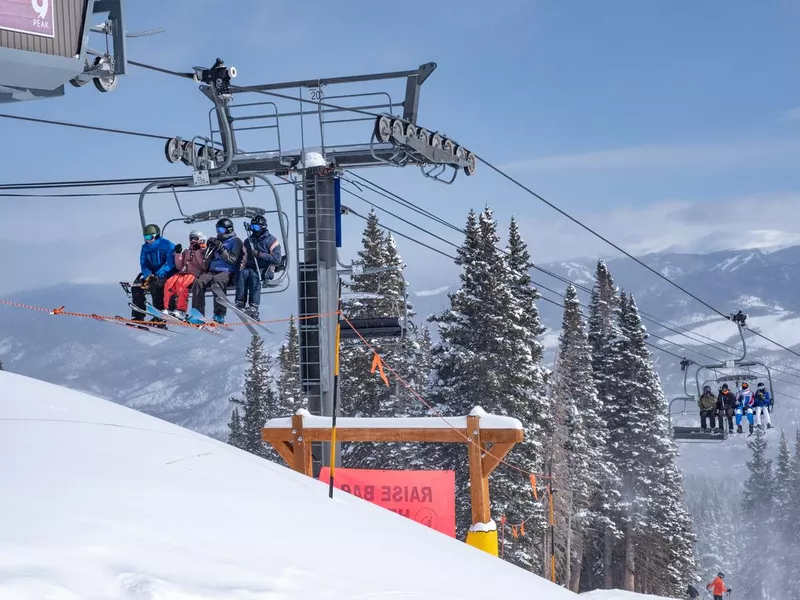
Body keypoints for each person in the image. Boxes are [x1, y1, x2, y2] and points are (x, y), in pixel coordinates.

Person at [190, 218, 242, 324]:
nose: (218, 232)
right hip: (212, 270)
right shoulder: (217, 241)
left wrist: (221, 249)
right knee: (199, 282)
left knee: (217, 282)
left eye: (221, 230)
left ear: (228, 229)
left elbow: (232, 260)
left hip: (227, 271)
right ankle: (197, 314)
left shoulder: (236, 241)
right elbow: (206, 262)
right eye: (217, 229)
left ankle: (219, 314)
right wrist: (209, 248)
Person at [235, 214, 282, 320]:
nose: (254, 230)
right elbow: (244, 258)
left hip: (265, 269)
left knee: (255, 277)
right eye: (253, 227)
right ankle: (240, 301)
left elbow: (277, 259)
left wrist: (260, 254)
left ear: (263, 227)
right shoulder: (248, 241)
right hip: (250, 267)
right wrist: (240, 269)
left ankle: (254, 306)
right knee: (243, 274)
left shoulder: (271, 241)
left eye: (257, 227)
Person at [131, 224, 176, 325]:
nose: (147, 240)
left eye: (149, 237)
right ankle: (138, 316)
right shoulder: (145, 248)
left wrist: (159, 274)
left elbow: (170, 263)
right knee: (137, 287)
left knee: (155, 286)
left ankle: (159, 316)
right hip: (152, 275)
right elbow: (144, 264)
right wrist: (148, 275)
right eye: (145, 237)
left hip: (167, 274)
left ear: (155, 235)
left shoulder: (167, 245)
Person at [164, 230, 207, 320]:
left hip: (194, 274)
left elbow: (203, 265)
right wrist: (178, 254)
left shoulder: (204, 251)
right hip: (183, 273)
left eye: (196, 238)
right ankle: (168, 308)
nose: (193, 241)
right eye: (191, 239)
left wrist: (197, 251)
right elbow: (179, 266)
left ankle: (181, 310)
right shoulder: (187, 251)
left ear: (201, 239)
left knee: (181, 284)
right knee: (169, 282)